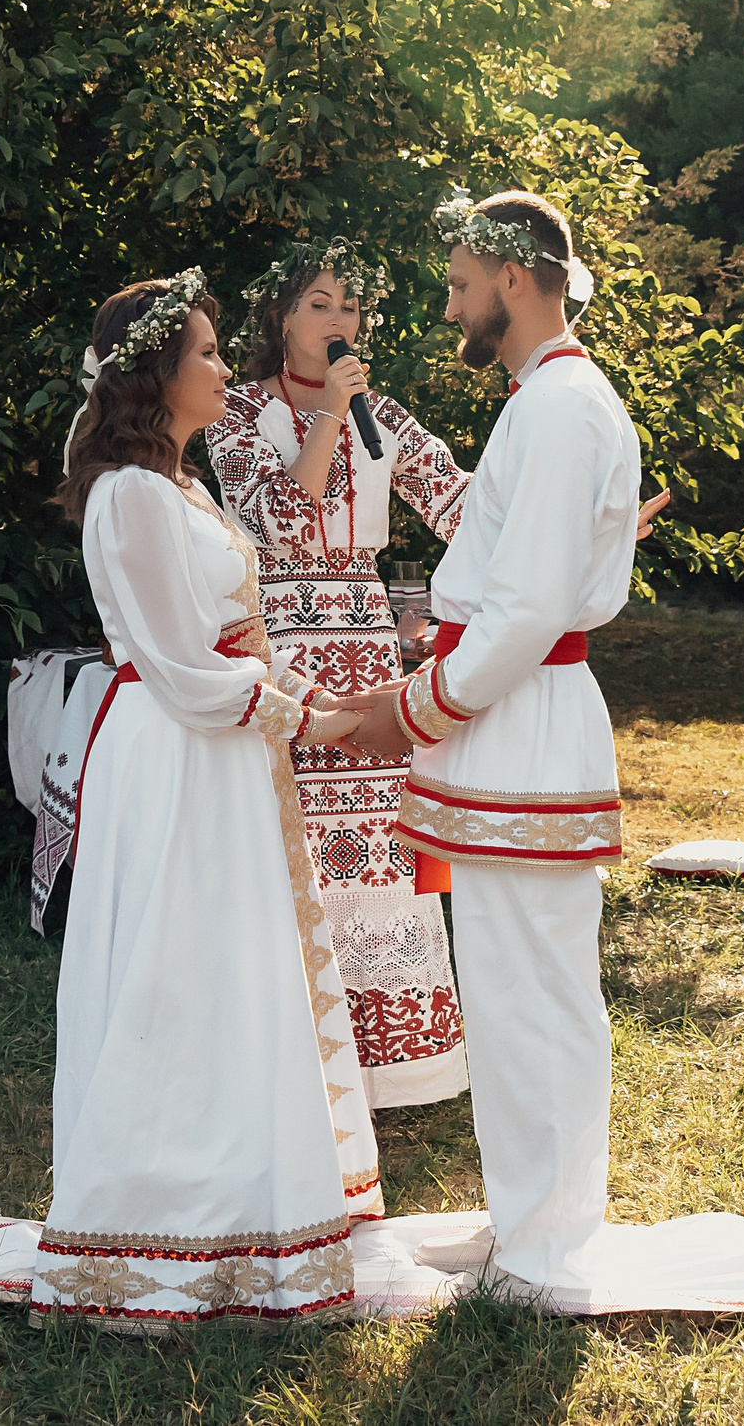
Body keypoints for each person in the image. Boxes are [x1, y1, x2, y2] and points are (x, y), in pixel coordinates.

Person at [29, 272, 383, 1332]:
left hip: (216, 752)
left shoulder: (173, 486)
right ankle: (157, 1213)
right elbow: (178, 668)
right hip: (178, 756)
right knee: (178, 971)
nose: (225, 370)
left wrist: (287, 700)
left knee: (228, 968)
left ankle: (240, 1188)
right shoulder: (131, 494)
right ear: (157, 375)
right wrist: (309, 715)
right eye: (210, 355)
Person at [332, 190, 641, 1302]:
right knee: (510, 987)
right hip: (507, 725)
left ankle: (550, 1252)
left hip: (526, 723)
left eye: (461, 284)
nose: (452, 305)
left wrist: (413, 705)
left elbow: (526, 613)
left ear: (513, 280)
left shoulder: (559, 407)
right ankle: (526, 1221)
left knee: (538, 990)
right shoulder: (542, 399)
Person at [203, 238, 477, 1109]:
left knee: (374, 845)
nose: (337, 321)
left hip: (363, 635)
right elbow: (282, 516)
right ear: (280, 318)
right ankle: (295, 1068)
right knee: (293, 837)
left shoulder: (382, 414)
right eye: (319, 303)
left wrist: (587, 519)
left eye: (348, 307)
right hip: (282, 635)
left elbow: (463, 504)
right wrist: (326, 411)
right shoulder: (234, 411)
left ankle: (394, 1067)